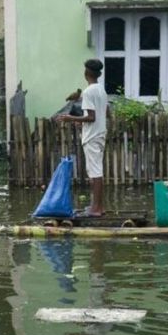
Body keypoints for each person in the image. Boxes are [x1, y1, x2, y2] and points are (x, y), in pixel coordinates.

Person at [56, 59, 108, 217]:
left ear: (86, 73)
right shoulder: (101, 90)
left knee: (95, 172)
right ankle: (98, 206)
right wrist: (82, 123)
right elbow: (104, 114)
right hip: (99, 133)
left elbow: (91, 117)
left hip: (92, 136)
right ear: (98, 74)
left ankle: (96, 209)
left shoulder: (88, 92)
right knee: (96, 170)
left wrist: (70, 118)